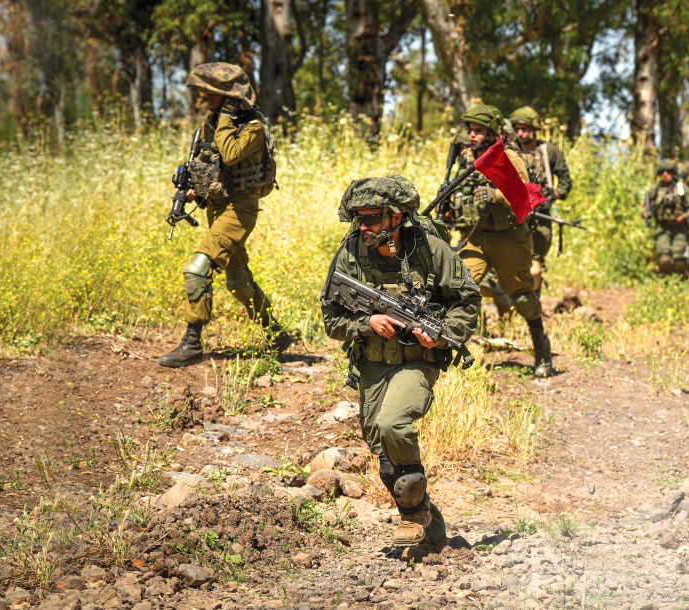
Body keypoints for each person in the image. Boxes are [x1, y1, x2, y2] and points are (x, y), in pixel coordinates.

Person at [321, 175, 480, 557]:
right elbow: (331, 320)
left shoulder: (431, 250)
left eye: (372, 218)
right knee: (387, 458)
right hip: (372, 365)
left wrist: (441, 335)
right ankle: (433, 530)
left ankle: (411, 516)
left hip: (417, 362)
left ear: (395, 217)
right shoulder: (351, 254)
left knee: (394, 424)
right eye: (359, 218)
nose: (363, 226)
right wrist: (367, 324)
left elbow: (468, 301)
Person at [160, 62, 289, 368]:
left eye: (212, 92)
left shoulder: (253, 127)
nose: (205, 96)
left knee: (196, 269)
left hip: (240, 209)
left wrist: (229, 117)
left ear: (230, 96)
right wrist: (194, 190)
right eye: (203, 91)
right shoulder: (212, 124)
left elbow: (230, 153)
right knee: (238, 282)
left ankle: (192, 343)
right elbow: (211, 165)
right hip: (218, 208)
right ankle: (276, 333)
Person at [450, 104, 556, 377]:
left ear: (492, 131)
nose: (472, 135)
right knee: (460, 288)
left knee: (521, 297)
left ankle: (542, 350)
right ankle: (447, 352)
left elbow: (528, 197)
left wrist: (495, 195)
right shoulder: (466, 157)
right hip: (476, 237)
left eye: (479, 130)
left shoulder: (509, 157)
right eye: (470, 130)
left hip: (509, 237)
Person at [509, 106, 572, 293]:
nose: (521, 133)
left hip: (540, 215)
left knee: (535, 265)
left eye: (525, 129)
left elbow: (566, 180)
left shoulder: (549, 152)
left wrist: (553, 196)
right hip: (513, 215)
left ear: (535, 129)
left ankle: (533, 305)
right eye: (517, 129)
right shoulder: (509, 151)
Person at [641, 158, 689, 276]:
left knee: (678, 258)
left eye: (668, 171)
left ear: (673, 173)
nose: (665, 175)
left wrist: (685, 216)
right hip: (663, 227)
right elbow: (645, 206)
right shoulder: (655, 190)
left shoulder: (681, 188)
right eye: (662, 172)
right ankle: (666, 279)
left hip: (680, 227)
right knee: (664, 258)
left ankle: (681, 278)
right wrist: (645, 213)